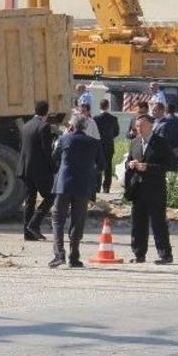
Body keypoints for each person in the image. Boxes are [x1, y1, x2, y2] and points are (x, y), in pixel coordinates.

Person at [48, 115, 103, 268]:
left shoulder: (65, 139)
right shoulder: (94, 143)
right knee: (77, 220)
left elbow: (54, 157)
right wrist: (89, 172)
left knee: (58, 219)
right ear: (85, 127)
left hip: (63, 184)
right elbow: (102, 165)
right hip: (83, 185)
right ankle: (74, 256)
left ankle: (59, 254)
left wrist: (62, 167)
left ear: (71, 126)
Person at [124, 113, 175, 264]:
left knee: (158, 223)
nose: (139, 128)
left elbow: (169, 165)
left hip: (155, 189)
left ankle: (165, 255)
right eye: (137, 126)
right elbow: (128, 162)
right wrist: (130, 165)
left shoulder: (161, 143)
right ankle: (139, 253)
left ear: (150, 125)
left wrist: (148, 167)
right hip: (138, 188)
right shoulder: (134, 142)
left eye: (142, 125)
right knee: (138, 222)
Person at [16, 100, 55, 241]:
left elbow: (23, 147)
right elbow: (47, 151)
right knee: (51, 196)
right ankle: (34, 224)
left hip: (25, 169)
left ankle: (27, 233)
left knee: (30, 200)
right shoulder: (44, 127)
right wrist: (53, 168)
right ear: (46, 112)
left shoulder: (26, 126)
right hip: (39, 170)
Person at [93, 99, 120, 193]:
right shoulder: (113, 118)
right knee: (108, 166)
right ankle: (106, 187)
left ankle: (97, 187)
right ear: (108, 106)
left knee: (98, 165)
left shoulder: (95, 118)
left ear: (100, 107)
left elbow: (93, 132)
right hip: (109, 145)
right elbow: (117, 132)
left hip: (99, 145)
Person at [154, 102, 178, 173]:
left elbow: (162, 139)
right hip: (177, 154)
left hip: (164, 154)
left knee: (163, 175)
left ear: (165, 110)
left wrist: (171, 149)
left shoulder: (162, 123)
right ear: (174, 110)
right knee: (173, 175)